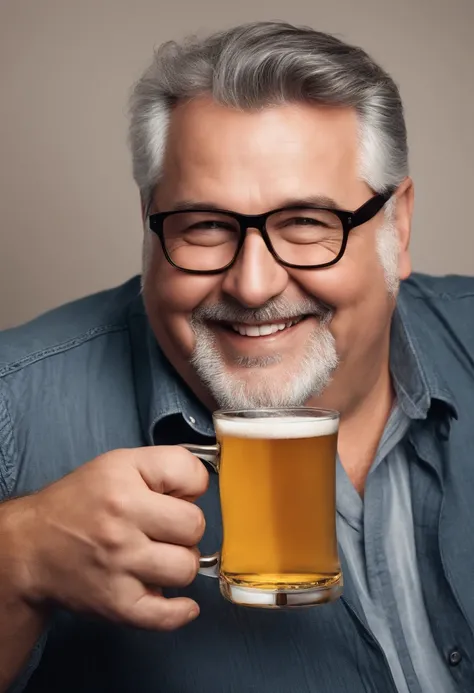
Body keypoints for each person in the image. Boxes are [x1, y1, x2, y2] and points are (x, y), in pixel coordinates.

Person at [0, 20, 473, 693]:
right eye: (205, 226)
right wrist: (15, 559)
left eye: (309, 224)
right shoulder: (12, 408)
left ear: (396, 227)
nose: (253, 285)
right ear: (149, 223)